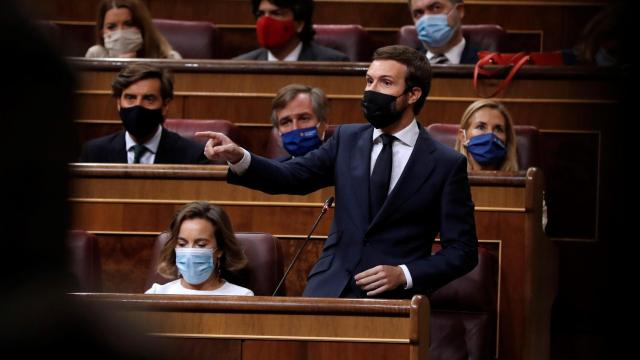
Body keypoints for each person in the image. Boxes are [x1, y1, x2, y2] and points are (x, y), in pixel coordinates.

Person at [197, 45, 478, 299]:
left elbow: (463, 252)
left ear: (413, 94)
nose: (372, 90)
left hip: (394, 299)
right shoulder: (347, 140)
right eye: (369, 81)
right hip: (329, 287)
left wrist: (404, 274)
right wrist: (240, 157)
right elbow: (290, 176)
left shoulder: (445, 163)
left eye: (386, 82)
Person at [79, 63, 208, 164]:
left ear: (165, 105)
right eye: (130, 98)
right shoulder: (93, 152)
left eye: (149, 99)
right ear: (119, 103)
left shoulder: (192, 154)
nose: (138, 106)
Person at [146, 202, 254, 296]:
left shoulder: (241, 297)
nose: (189, 252)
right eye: (182, 244)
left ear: (220, 249)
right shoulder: (157, 293)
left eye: (201, 244)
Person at [234, 0, 350, 61]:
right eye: (261, 14)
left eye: (276, 13)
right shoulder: (239, 66)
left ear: (299, 24)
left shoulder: (331, 63)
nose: (265, 21)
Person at [85, 0, 181, 59]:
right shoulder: (95, 55)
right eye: (111, 27)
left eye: (129, 24)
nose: (120, 32)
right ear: (102, 32)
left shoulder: (169, 58)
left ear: (142, 27)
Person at [453, 99, 518, 172]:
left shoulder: (523, 182)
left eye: (498, 129)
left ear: (507, 139)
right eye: (481, 127)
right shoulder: (446, 178)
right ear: (463, 137)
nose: (490, 135)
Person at [409, 0, 477, 64]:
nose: (426, 18)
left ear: (459, 11)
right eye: (418, 13)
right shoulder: (407, 65)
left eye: (436, 8)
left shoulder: (484, 64)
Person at [271, 84, 329, 160]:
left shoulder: (344, 168)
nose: (295, 128)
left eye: (303, 119)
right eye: (286, 122)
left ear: (323, 123)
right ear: (279, 130)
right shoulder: (272, 170)